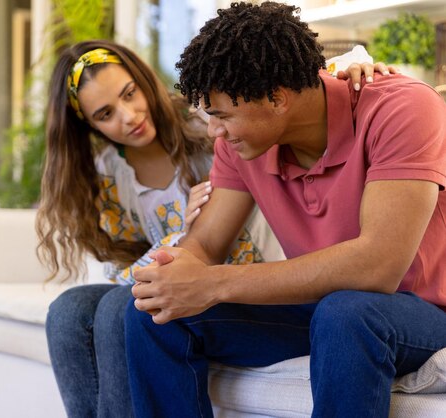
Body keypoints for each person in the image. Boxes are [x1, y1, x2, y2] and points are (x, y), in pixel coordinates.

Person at [38, 39, 396, 418]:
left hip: (254, 276)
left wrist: (353, 61)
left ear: (145, 82)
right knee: (69, 309)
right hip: (188, 268)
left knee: (123, 305)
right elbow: (127, 265)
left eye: (130, 94)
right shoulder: (108, 173)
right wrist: (178, 237)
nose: (128, 116)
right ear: (88, 125)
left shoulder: (220, 128)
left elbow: (289, 89)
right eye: (106, 113)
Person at [125, 2, 446, 418]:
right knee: (154, 315)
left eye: (222, 115)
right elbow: (206, 241)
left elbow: (378, 266)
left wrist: (213, 283)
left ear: (277, 98)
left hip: (415, 312)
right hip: (323, 310)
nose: (213, 131)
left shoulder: (402, 108)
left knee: (348, 311)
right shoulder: (239, 146)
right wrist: (173, 276)